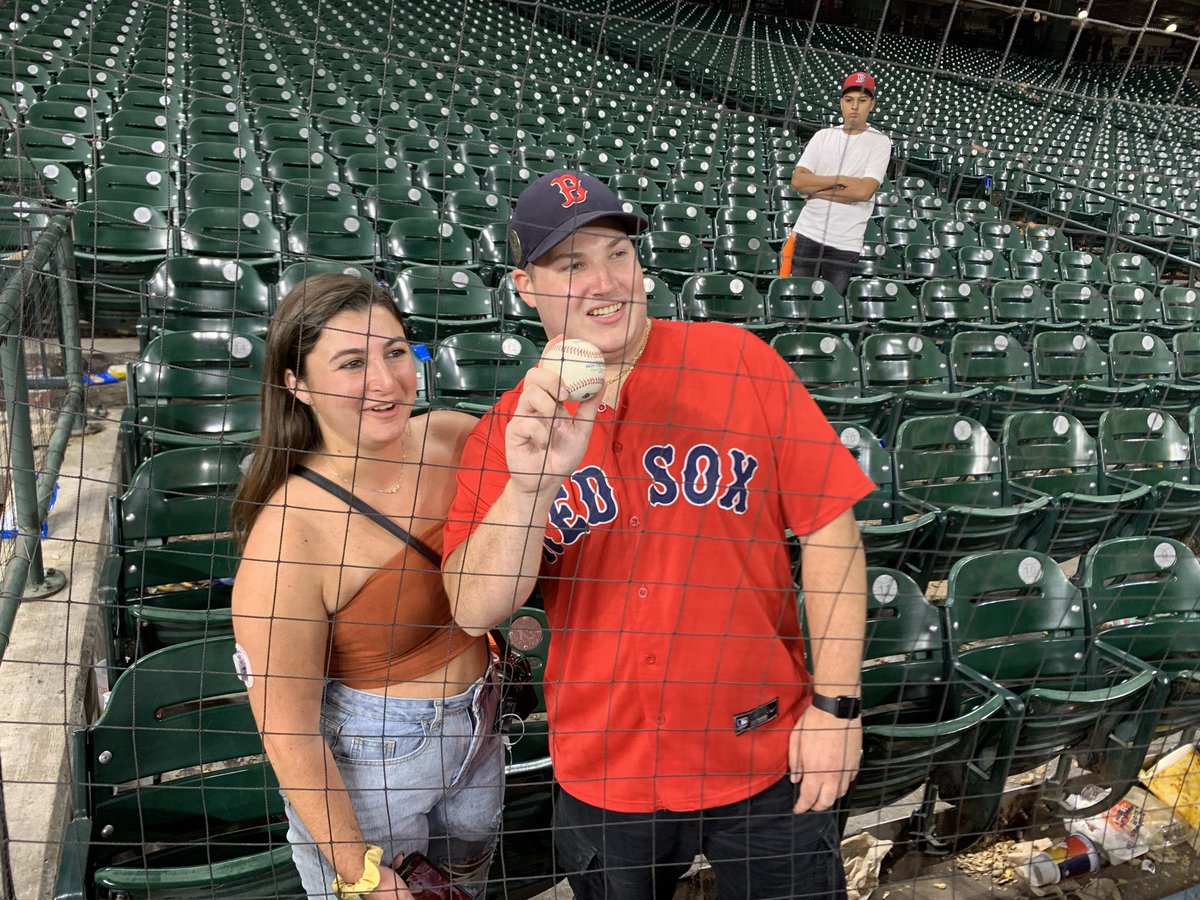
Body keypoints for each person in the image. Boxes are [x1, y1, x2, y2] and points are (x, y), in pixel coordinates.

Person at [443, 170, 871, 898]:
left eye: (617, 254)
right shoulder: (506, 432)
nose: (604, 282)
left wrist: (836, 709)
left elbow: (832, 533)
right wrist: (531, 486)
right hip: (608, 769)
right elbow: (474, 607)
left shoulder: (741, 363)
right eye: (571, 264)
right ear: (524, 285)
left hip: (768, 752)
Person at [231, 274, 503, 899]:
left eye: (396, 351)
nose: (386, 382)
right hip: (371, 766)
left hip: (482, 731)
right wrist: (361, 872)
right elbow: (288, 730)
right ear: (296, 384)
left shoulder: (453, 437)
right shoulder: (288, 534)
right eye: (352, 362)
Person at [780, 71, 893, 296]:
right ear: (841, 102)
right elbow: (798, 181)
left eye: (862, 101)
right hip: (808, 232)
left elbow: (863, 191)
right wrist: (840, 181)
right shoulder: (823, 136)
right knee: (795, 301)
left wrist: (815, 191)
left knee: (829, 308)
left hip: (845, 240)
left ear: (871, 104)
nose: (855, 107)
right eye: (849, 100)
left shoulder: (880, 142)